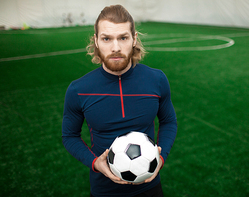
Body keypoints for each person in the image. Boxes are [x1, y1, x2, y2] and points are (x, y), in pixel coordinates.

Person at [62, 4, 177, 197]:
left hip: (150, 189)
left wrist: (161, 157)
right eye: (107, 38)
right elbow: (69, 136)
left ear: (134, 39)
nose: (115, 47)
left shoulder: (156, 80)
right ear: (96, 41)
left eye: (123, 37)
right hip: (103, 191)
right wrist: (95, 162)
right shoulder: (78, 90)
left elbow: (168, 121)